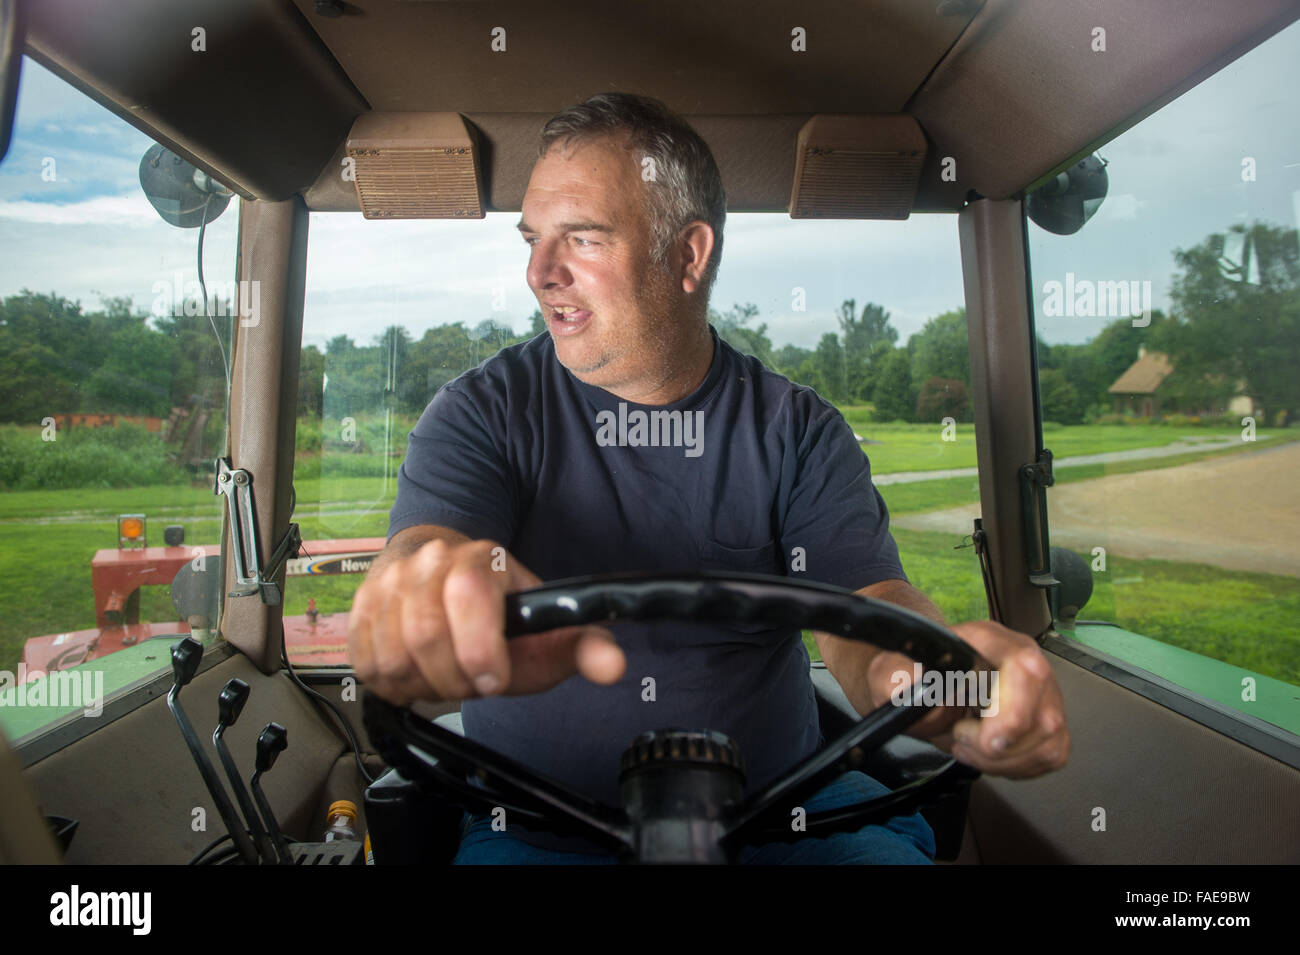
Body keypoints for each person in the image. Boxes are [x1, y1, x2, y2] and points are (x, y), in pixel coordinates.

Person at [346, 92, 1069, 864]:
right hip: (542, 828)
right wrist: (424, 584)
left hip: (787, 816)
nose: (539, 273)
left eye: (581, 239)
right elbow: (427, 548)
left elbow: (870, 615)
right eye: (533, 240)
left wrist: (953, 689)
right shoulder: (480, 413)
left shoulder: (799, 431)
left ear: (689, 255)